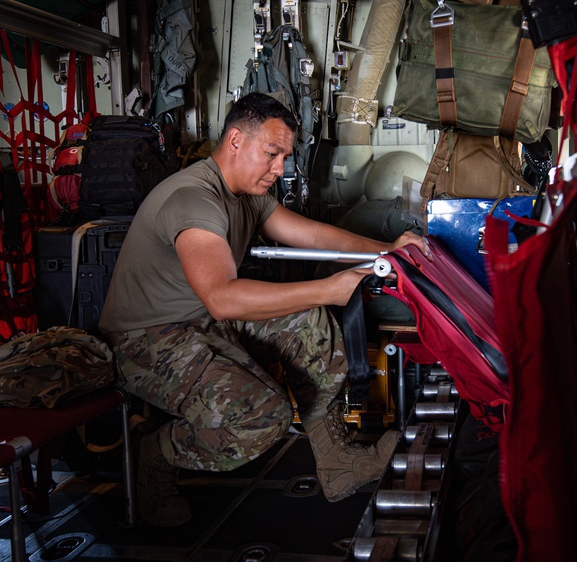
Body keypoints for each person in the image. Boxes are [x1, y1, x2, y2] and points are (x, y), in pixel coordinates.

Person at [99, 93, 431, 527]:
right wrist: (327, 289)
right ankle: (157, 455)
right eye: (272, 154)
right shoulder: (193, 199)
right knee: (264, 416)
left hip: (203, 320)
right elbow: (222, 296)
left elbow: (311, 236)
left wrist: (388, 251)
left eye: (283, 157)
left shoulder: (246, 194)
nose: (279, 169)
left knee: (309, 326)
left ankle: (337, 462)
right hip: (146, 338)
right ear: (236, 140)